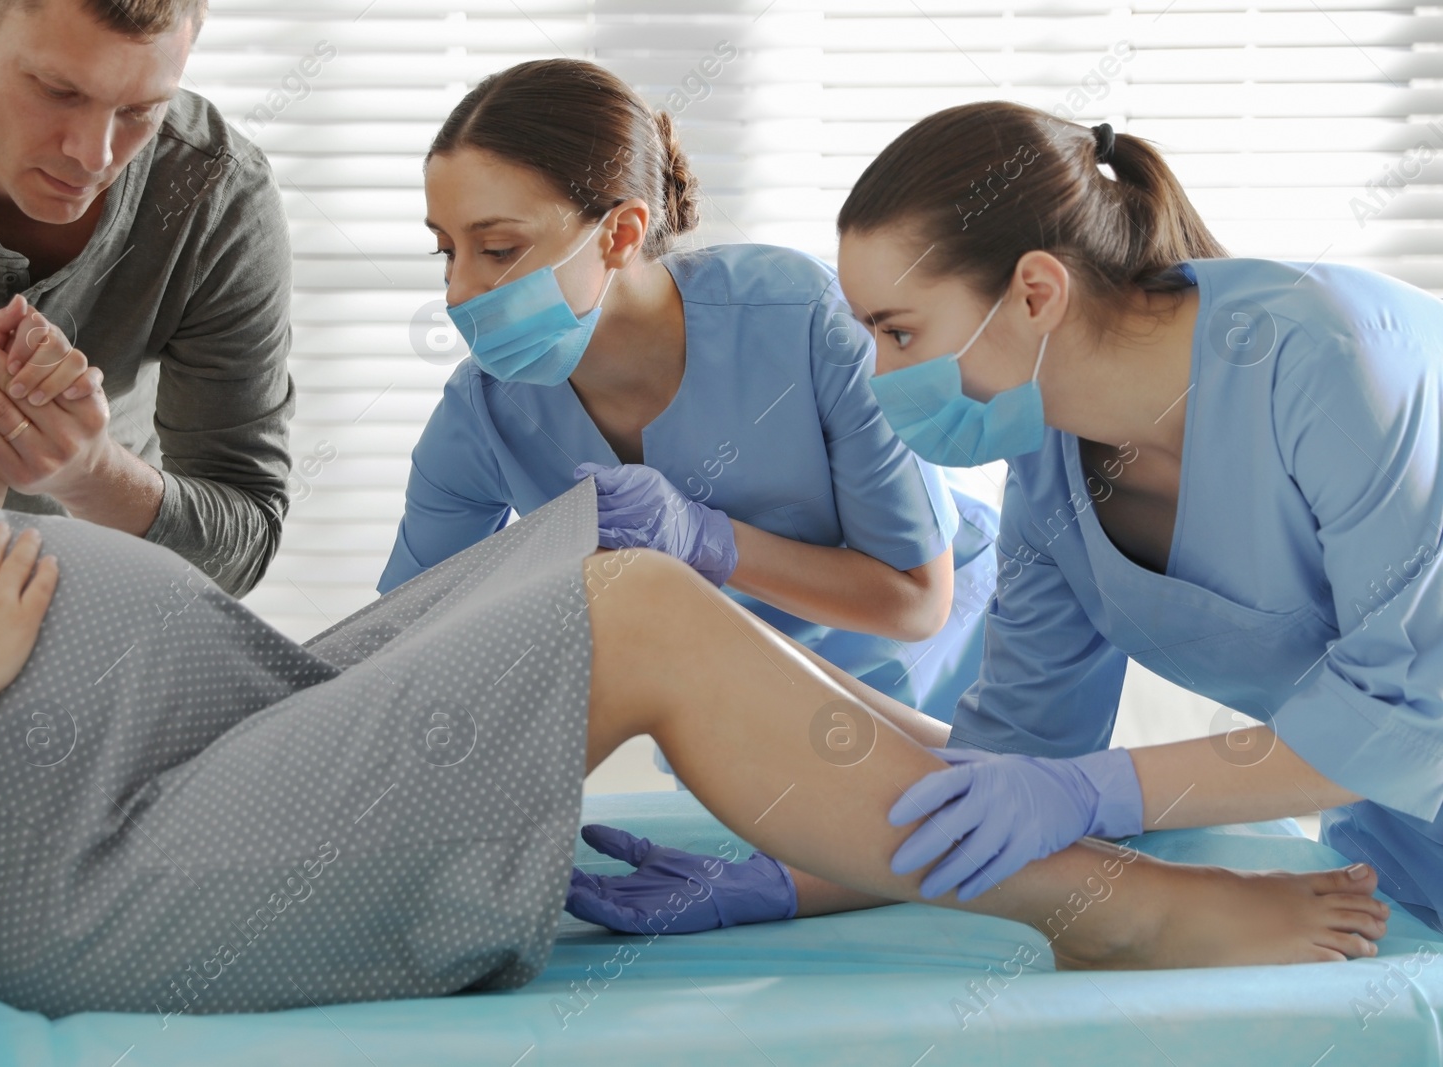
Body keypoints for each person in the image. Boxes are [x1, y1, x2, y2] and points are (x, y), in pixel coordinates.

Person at [0, 421, 1389, 1018]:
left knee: (611, 540)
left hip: (197, 731)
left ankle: (1026, 797)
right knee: (636, 618)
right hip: (105, 859)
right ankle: (1101, 895)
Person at [572, 103, 1443, 936]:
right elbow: (1013, 767)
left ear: (1034, 293)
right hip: (1401, 858)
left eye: (898, 332)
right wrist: (786, 883)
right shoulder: (1054, 465)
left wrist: (1098, 791)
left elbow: (1406, 718)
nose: (876, 374)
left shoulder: (1339, 368)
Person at [382, 59, 1000, 755]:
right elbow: (404, 638)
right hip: (738, 712)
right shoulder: (484, 412)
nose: (459, 291)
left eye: (497, 248)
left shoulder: (803, 322)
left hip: (942, 677)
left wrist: (706, 539)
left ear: (619, 233)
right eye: (446, 251)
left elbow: (917, 600)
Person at [0, 0, 297, 596]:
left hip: (88, 609)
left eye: (140, 109)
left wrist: (91, 474)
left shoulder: (217, 203)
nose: (95, 156)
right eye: (58, 91)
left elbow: (242, 548)